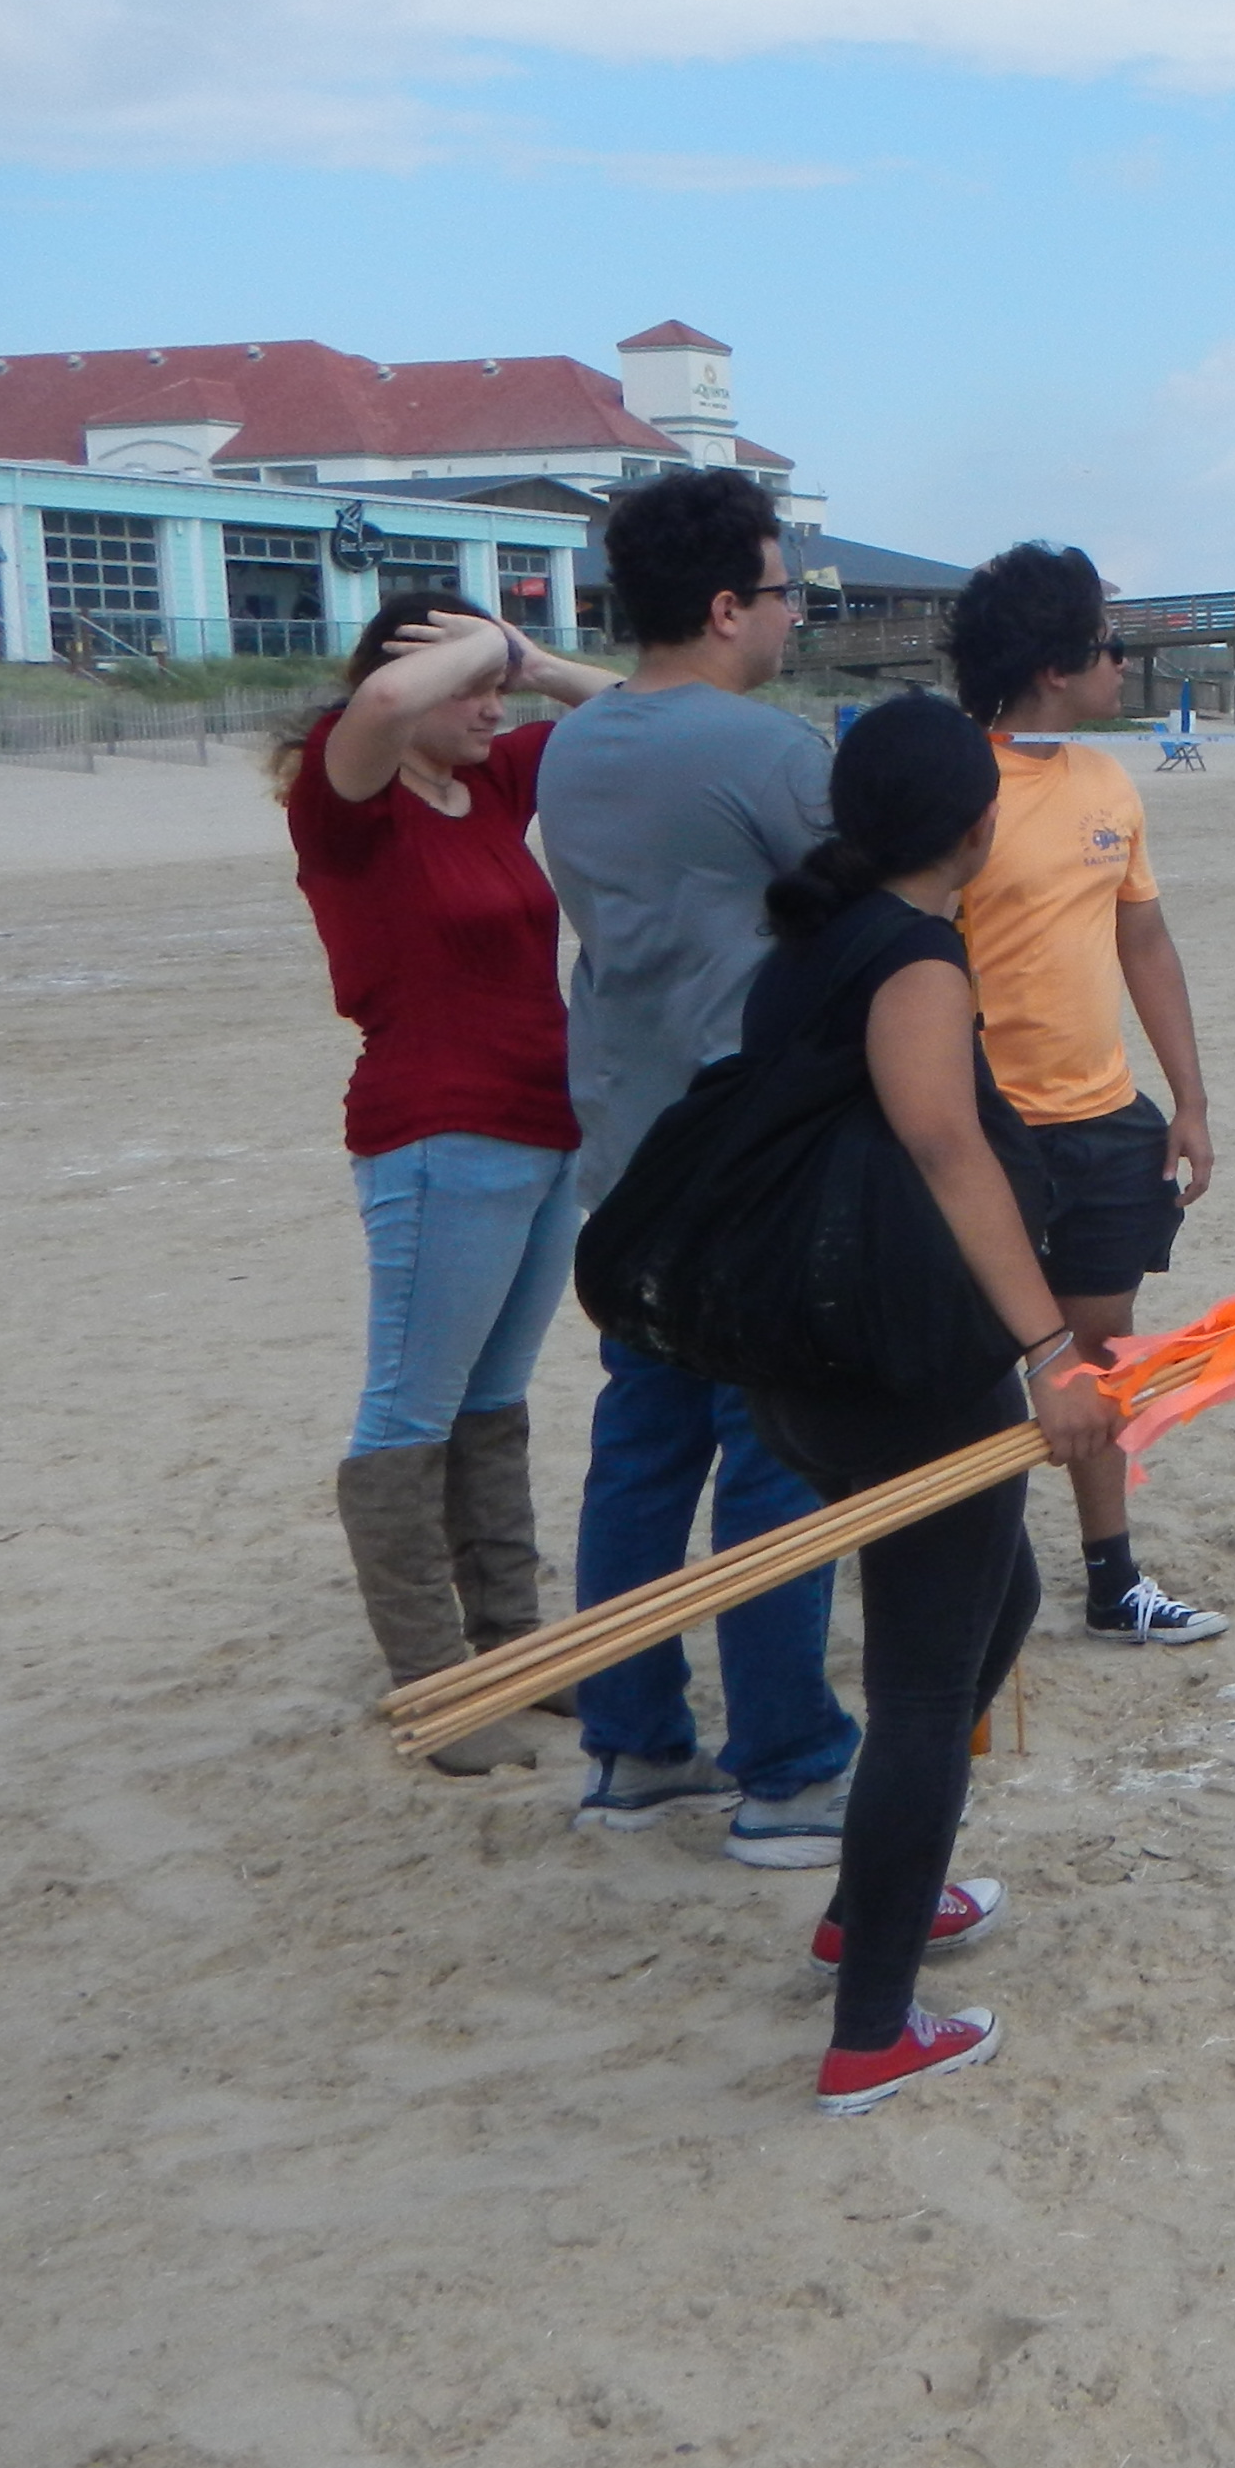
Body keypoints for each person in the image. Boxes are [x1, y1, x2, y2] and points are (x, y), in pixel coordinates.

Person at [735, 694, 1118, 2110]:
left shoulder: (813, 941)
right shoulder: (910, 959)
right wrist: (1049, 1351)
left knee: (992, 1607)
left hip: (810, 1358)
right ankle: (871, 2027)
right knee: (918, 1686)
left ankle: (865, 1909)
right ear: (977, 827)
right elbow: (948, 1150)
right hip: (898, 1364)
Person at [536, 467, 864, 1860]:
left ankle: (634, 1745)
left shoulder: (575, 749)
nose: (793, 616)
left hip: (627, 1149)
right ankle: (786, 1770)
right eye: (784, 592)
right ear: (729, 606)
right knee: (775, 1454)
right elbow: (864, 900)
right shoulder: (765, 749)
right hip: (747, 1157)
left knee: (641, 1451)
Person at [284, 595, 621, 1773]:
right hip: (437, 1131)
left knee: (495, 1402)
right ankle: (436, 1689)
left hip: (543, 1129)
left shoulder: (488, 782)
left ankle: (509, 1650)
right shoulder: (346, 798)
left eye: (494, 687)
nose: (489, 706)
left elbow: (633, 717)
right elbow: (377, 705)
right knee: (409, 1410)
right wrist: (465, 661)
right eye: (467, 685)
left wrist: (527, 663)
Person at [947, 545, 1231, 1646]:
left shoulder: (1109, 782)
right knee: (990, 1362)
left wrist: (1189, 1102)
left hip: (1106, 1122)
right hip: (984, 1131)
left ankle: (1113, 1580)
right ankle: (966, 1579)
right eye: (1110, 645)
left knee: (1104, 1352)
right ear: (1055, 664)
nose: (1126, 663)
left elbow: (1144, 938)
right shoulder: (957, 788)